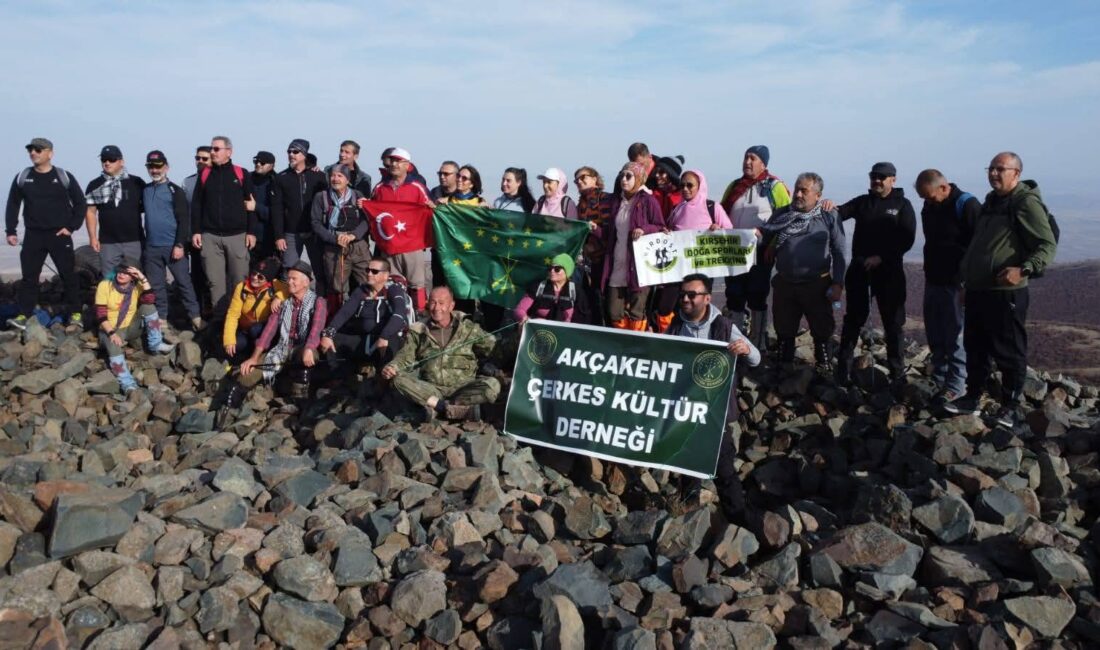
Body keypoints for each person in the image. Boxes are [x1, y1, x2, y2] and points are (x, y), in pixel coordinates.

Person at [946, 152, 1057, 427]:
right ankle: (972, 397)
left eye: (1001, 169)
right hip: (978, 290)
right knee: (976, 346)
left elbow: (1046, 244)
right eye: (991, 168)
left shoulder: (1025, 202)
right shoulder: (992, 201)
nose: (994, 173)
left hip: (1006, 292)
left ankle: (1010, 406)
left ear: (1016, 173)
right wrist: (966, 282)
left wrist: (1024, 269)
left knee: (1009, 349)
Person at [666, 273, 760, 520]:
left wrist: (745, 349)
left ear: (707, 298)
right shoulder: (675, 327)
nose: (685, 299)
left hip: (715, 414)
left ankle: (738, 520)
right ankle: (688, 514)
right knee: (687, 465)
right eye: (683, 294)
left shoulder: (723, 326)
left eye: (692, 295)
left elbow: (757, 358)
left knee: (724, 469)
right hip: (685, 411)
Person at [835, 162, 917, 383]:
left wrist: (882, 257)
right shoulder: (863, 202)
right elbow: (838, 214)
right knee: (854, 319)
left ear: (893, 179)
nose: (877, 181)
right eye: (874, 177)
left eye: (882, 177)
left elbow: (907, 239)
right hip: (860, 270)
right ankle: (843, 370)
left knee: (893, 323)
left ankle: (897, 373)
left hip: (890, 272)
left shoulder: (903, 205)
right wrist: (823, 205)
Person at [760, 172, 846, 373]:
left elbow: (839, 251)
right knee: (783, 327)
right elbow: (765, 234)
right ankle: (784, 365)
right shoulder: (782, 215)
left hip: (816, 283)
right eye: (797, 189)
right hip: (785, 283)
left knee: (821, 327)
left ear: (817, 195)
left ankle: (823, 366)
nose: (797, 194)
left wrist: (838, 283)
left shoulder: (828, 215)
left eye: (804, 190)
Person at [220, 261, 328, 420]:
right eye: (289, 278)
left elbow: (316, 330)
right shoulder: (283, 302)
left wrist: (310, 348)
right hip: (282, 347)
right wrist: (254, 357)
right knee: (249, 372)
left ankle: (299, 402)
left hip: (302, 348)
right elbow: (268, 332)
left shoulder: (318, 302)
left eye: (294, 279)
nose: (289, 282)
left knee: (306, 356)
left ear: (306, 282)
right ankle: (228, 410)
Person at [381, 286, 500, 422]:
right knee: (398, 380)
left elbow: (495, 348)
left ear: (451, 306)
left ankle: (437, 410)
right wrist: (392, 367)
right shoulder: (418, 331)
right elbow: (404, 357)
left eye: (442, 303)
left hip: (463, 389)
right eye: (432, 302)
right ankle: (448, 409)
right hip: (431, 390)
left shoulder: (468, 328)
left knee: (492, 385)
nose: (436, 307)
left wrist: (520, 335)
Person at [914, 169, 979, 405]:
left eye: (930, 196)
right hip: (934, 278)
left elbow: (979, 245)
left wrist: (968, 282)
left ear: (943, 187)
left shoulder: (967, 205)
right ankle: (940, 380)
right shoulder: (930, 206)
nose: (927, 201)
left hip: (957, 283)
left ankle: (957, 386)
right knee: (936, 332)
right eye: (923, 198)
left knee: (955, 336)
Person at [5, 137, 85, 328]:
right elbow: (13, 204)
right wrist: (11, 230)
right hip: (33, 235)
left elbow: (80, 203)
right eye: (31, 150)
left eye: (38, 150)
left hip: (60, 235)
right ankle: (24, 315)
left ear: (50, 153)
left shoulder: (63, 176)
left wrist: (71, 227)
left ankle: (75, 313)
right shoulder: (23, 177)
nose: (33, 153)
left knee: (68, 275)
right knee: (29, 278)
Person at [720, 145, 792, 351]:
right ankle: (735, 340)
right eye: (745, 157)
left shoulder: (774, 186)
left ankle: (758, 341)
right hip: (733, 250)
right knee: (734, 294)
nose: (748, 162)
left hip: (761, 252)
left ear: (764, 163)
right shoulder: (735, 186)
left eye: (753, 158)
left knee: (757, 294)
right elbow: (722, 212)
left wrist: (773, 245)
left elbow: (786, 217)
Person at [651, 168, 731, 333]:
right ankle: (668, 338)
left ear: (699, 186)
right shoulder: (678, 209)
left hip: (702, 270)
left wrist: (718, 228)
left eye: (690, 185)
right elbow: (669, 230)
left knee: (696, 308)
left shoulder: (712, 207)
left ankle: (698, 338)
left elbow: (730, 232)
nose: (685, 189)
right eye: (682, 185)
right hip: (677, 269)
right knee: (666, 306)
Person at [190, 135, 257, 316]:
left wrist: (251, 232)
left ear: (229, 151)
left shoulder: (241, 173)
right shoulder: (204, 174)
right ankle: (219, 325)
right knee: (215, 283)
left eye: (216, 149)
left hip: (237, 236)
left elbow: (250, 204)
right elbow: (197, 204)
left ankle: (240, 323)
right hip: (210, 237)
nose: (212, 152)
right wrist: (196, 231)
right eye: (212, 149)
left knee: (239, 281)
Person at [141, 150, 202, 331]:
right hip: (152, 247)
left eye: (158, 166)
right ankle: (161, 319)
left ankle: (196, 318)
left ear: (166, 167)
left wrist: (180, 244)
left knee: (184, 283)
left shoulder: (175, 190)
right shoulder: (145, 190)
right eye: (151, 167)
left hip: (173, 247)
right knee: (157, 286)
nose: (154, 170)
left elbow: (184, 220)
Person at [320, 257, 410, 380]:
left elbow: (399, 314)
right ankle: (341, 384)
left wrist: (384, 336)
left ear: (385, 275)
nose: (369, 274)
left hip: (389, 338)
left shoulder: (394, 289)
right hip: (365, 338)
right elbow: (345, 312)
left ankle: (384, 388)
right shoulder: (362, 290)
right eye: (367, 270)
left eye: (374, 271)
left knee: (390, 351)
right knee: (332, 342)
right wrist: (329, 333)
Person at [600, 162, 664, 330]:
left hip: (639, 266)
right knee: (614, 310)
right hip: (617, 263)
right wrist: (595, 230)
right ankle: (621, 342)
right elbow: (612, 234)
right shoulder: (616, 202)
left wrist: (644, 229)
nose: (624, 179)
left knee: (637, 310)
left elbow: (660, 227)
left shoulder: (648, 201)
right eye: (622, 175)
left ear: (639, 178)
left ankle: (636, 345)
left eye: (629, 176)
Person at [95, 259, 175, 392]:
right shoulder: (105, 285)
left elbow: (150, 299)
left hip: (131, 327)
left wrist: (142, 278)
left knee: (148, 308)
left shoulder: (136, 286)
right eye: (120, 271)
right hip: (111, 329)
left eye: (126, 273)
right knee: (114, 346)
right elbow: (100, 314)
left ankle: (155, 343)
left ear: (133, 276)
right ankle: (127, 383)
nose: (121, 275)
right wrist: (112, 333)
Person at [370, 147, 433, 312]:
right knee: (393, 284)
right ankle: (397, 317)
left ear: (408, 165)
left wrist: (432, 207)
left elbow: (430, 209)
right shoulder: (380, 188)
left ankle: (418, 317)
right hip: (389, 247)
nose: (394, 164)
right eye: (392, 160)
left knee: (417, 284)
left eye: (399, 161)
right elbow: (372, 211)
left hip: (412, 245)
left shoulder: (416, 186)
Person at [272, 139, 328, 283]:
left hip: (314, 232)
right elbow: (276, 209)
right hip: (291, 233)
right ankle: (288, 304)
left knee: (320, 269)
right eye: (289, 152)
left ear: (304, 154)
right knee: (289, 272)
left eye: (295, 152)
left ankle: (321, 302)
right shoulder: (281, 178)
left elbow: (327, 205)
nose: (291, 154)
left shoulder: (319, 176)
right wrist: (279, 235)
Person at [312, 163, 371, 299]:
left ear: (348, 180)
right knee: (337, 287)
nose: (335, 179)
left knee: (368, 282)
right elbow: (315, 223)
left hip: (358, 246)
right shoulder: (321, 197)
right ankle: (338, 316)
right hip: (333, 246)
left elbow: (366, 220)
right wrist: (334, 239)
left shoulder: (357, 196)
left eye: (340, 176)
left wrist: (353, 235)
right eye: (332, 175)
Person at [86, 145, 146, 271]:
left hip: (134, 240)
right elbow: (91, 212)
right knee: (109, 280)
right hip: (108, 242)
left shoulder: (136, 182)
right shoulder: (95, 185)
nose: (107, 162)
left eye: (111, 159)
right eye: (104, 159)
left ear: (121, 161)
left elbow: (148, 207)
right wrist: (92, 237)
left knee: (135, 278)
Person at [223, 256, 288, 363]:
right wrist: (229, 339)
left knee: (255, 330)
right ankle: (246, 355)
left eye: (260, 277)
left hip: (261, 328)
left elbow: (288, 289)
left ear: (268, 279)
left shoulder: (274, 285)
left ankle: (260, 353)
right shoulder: (241, 287)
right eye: (253, 273)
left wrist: (278, 297)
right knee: (235, 345)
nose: (255, 278)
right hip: (244, 329)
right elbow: (232, 315)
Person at [514, 253, 578, 324]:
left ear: (567, 272)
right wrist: (526, 320)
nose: (552, 271)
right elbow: (520, 310)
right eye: (550, 268)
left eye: (557, 269)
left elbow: (583, 319)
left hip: (564, 333)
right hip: (538, 331)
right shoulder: (538, 287)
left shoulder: (576, 291)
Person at [250, 151, 278, 261]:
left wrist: (256, 207)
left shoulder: (277, 182)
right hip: (247, 236)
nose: (258, 164)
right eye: (256, 161)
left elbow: (278, 214)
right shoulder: (247, 179)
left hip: (269, 237)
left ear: (272, 165)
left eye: (262, 163)